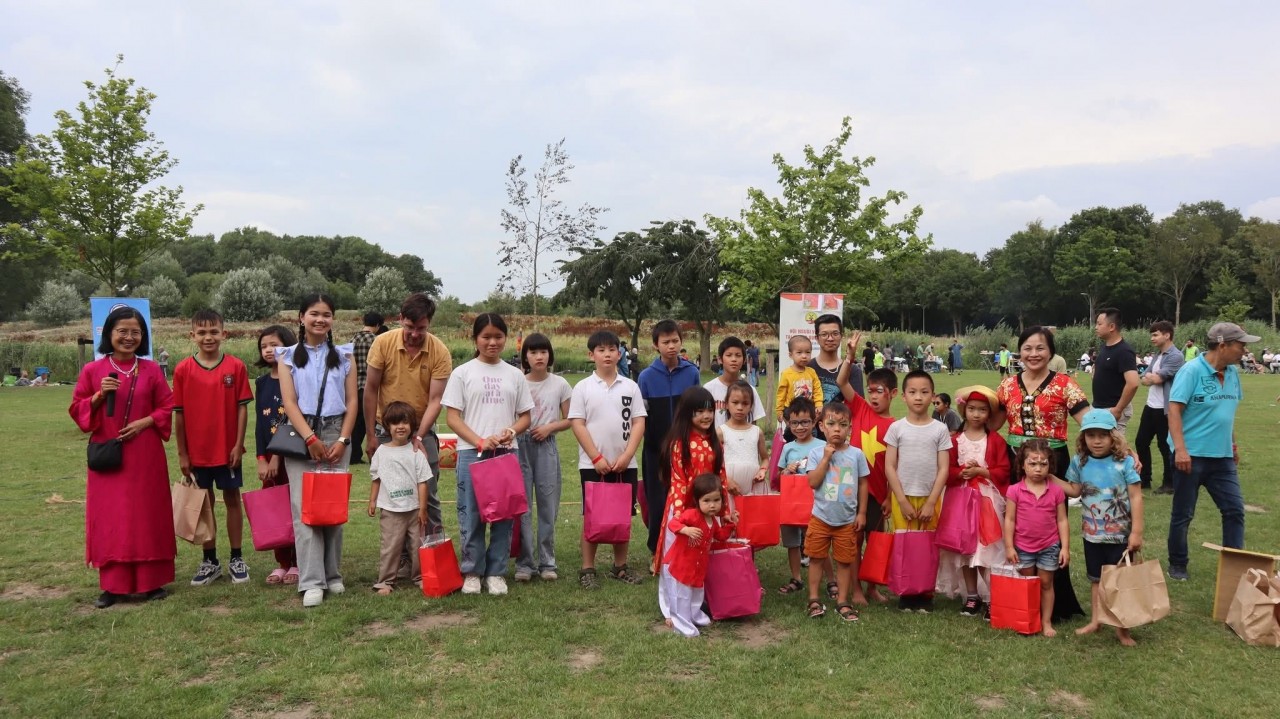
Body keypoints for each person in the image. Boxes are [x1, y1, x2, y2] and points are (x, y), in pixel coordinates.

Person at [70, 306, 175, 609]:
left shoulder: (152, 369)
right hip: (109, 457)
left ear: (142, 337)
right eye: (122, 331)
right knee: (112, 517)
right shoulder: (93, 371)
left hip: (145, 454)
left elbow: (168, 406)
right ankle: (112, 585)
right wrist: (98, 396)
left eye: (135, 332)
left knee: (147, 514)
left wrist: (145, 422)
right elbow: (79, 411)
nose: (129, 337)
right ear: (109, 334)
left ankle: (152, 582)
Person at [992, 325, 1089, 622]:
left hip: (1052, 461)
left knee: (1049, 527)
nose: (1033, 354)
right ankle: (1018, 599)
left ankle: (1056, 604)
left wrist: (1125, 450)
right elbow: (993, 423)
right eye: (1027, 348)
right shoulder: (1007, 385)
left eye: (1040, 348)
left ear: (1051, 352)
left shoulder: (1064, 384)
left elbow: (1090, 420)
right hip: (1016, 461)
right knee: (1018, 523)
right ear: (1018, 352)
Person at [277, 294, 359, 608]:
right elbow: (290, 402)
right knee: (305, 509)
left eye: (326, 315)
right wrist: (311, 438)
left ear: (332, 320)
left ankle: (333, 574)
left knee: (332, 506)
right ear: (301, 317)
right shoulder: (286, 356)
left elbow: (352, 402)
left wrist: (343, 440)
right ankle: (311, 580)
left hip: (337, 429)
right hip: (302, 434)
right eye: (314, 314)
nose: (320, 320)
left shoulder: (344, 355)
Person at [443, 313, 534, 596]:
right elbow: (453, 418)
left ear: (505, 339)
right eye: (486, 337)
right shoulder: (463, 373)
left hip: (506, 453)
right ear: (475, 339)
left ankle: (496, 572)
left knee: (504, 515)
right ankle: (472, 571)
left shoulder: (515, 374)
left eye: (498, 337)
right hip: (473, 453)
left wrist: (510, 431)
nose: (492, 342)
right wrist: (479, 440)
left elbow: (525, 417)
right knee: (471, 514)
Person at [1166, 322, 1255, 581]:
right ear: (1223, 345)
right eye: (1241, 345)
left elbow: (1226, 416)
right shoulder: (1191, 371)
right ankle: (1178, 563)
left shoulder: (1233, 373)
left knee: (1234, 510)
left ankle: (1234, 565)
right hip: (1191, 457)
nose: (1245, 351)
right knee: (1183, 514)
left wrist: (1234, 445)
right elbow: (1174, 410)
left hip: (1223, 457)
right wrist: (1180, 450)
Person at [173, 309, 253, 587]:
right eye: (202, 332)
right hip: (198, 453)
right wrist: (183, 453)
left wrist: (238, 445)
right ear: (192, 335)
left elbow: (242, 410)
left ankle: (236, 557)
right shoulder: (183, 369)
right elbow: (179, 415)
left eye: (213, 331)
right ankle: (210, 560)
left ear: (224, 333)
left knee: (232, 500)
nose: (208, 337)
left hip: (227, 450)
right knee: (203, 503)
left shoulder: (236, 367)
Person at [364, 293, 452, 538]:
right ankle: (403, 559)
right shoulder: (382, 343)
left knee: (429, 494)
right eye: (410, 327)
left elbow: (436, 400)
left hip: (422, 430)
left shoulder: (439, 351)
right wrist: (370, 435)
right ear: (400, 319)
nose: (415, 334)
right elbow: (370, 390)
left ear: (429, 324)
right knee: (394, 496)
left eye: (421, 328)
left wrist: (420, 437)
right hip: (386, 431)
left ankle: (433, 552)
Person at [569, 330, 648, 589]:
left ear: (620, 353)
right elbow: (577, 424)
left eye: (612, 349)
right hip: (593, 464)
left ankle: (620, 566)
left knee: (622, 516)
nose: (607, 354)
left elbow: (638, 422)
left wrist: (627, 456)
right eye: (601, 350)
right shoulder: (583, 387)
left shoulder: (631, 386)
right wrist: (596, 456)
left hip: (625, 465)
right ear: (591, 355)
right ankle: (587, 569)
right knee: (592, 516)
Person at [1059, 409, 1144, 646]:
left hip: (1120, 537)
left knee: (1120, 583)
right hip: (1092, 535)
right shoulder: (1080, 462)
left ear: (1113, 437)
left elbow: (1136, 497)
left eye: (1103, 436)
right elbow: (1074, 491)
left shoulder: (1124, 462)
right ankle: (1096, 621)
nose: (1096, 441)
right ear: (1083, 437)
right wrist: (1048, 478)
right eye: (1091, 435)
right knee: (1096, 580)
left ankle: (1122, 629)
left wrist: (1136, 532)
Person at [937, 387, 1010, 618]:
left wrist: (982, 471)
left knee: (986, 550)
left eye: (982, 410)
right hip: (960, 500)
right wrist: (961, 473)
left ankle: (991, 597)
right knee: (965, 551)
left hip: (986, 501)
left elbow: (1004, 469)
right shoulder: (955, 440)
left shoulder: (995, 440)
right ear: (964, 410)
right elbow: (945, 470)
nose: (976, 414)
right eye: (971, 409)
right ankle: (971, 596)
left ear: (989, 414)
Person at [885, 370, 952, 612]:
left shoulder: (939, 430)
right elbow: (889, 466)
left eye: (924, 393)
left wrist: (931, 501)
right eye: (912, 392)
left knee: (927, 545)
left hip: (930, 498)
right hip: (902, 497)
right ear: (903, 396)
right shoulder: (896, 428)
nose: (918, 397)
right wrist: (901, 500)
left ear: (933, 396)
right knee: (904, 543)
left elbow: (944, 468)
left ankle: (925, 593)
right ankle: (906, 593)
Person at [836, 333, 897, 603]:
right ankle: (856, 589)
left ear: (893, 393)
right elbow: (841, 381)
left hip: (879, 493)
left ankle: (873, 587)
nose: (873, 396)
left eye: (879, 391)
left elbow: (897, 466)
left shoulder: (896, 426)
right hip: (853, 488)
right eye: (870, 390)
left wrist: (889, 497)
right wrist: (850, 356)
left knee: (876, 543)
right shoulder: (859, 408)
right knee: (854, 540)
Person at [654, 387, 734, 586]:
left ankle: (703, 600)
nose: (706, 416)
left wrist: (723, 509)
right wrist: (681, 517)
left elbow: (721, 477)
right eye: (699, 411)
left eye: (710, 410)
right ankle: (672, 606)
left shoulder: (715, 443)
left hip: (710, 507)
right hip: (686, 509)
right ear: (686, 413)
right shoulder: (679, 443)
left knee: (704, 553)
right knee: (680, 555)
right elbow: (678, 480)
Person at [638, 319, 702, 558]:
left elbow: (698, 410)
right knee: (657, 502)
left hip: (687, 448)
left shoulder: (692, 373)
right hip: (656, 451)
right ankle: (657, 550)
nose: (671, 346)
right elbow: (641, 417)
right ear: (656, 345)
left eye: (675, 341)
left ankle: (685, 548)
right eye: (666, 342)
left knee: (687, 500)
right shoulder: (646, 377)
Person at [803, 401, 870, 622]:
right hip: (821, 517)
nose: (837, 429)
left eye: (843, 425)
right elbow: (813, 482)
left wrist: (861, 513)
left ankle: (842, 600)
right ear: (821, 426)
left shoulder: (857, 455)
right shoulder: (815, 453)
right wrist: (826, 457)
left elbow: (862, 484)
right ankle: (813, 599)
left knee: (844, 561)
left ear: (850, 427)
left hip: (847, 521)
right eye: (831, 424)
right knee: (816, 558)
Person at [515, 333, 573, 583]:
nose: (539, 357)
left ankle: (547, 562)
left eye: (543, 352)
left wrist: (550, 428)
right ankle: (525, 563)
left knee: (548, 505)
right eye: (533, 352)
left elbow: (570, 419)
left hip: (546, 445)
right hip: (520, 445)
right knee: (522, 506)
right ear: (525, 356)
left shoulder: (560, 384)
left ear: (550, 355)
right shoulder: (518, 382)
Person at [1004, 439, 1069, 637]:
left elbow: (1062, 521)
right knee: (1027, 583)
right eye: (1032, 463)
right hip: (1022, 546)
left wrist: (1065, 547)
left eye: (1043, 464)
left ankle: (1046, 621)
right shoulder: (1014, 490)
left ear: (1050, 465)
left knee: (1046, 583)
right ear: (1022, 464)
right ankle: (1028, 619)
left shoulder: (1056, 491)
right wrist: (1009, 546)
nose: (1038, 469)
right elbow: (1009, 520)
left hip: (1049, 546)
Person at [367, 401, 432, 595]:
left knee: (417, 546)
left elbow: (423, 481)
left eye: (404, 422)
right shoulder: (381, 451)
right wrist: (372, 501)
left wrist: (422, 508)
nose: (400, 427)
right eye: (395, 423)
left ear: (412, 425)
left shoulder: (416, 452)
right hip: (390, 510)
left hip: (414, 510)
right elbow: (376, 478)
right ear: (388, 426)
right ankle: (385, 581)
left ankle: (419, 577)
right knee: (390, 547)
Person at [661, 473, 737, 637]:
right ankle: (682, 624)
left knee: (696, 593)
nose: (712, 505)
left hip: (698, 566)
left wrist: (731, 524)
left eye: (716, 500)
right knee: (682, 595)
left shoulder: (712, 520)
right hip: (682, 564)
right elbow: (673, 523)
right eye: (707, 501)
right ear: (697, 501)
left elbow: (721, 536)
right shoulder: (691, 515)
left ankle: (695, 616)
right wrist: (685, 530)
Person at [254, 324, 299, 586]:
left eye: (274, 344)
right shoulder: (261, 383)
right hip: (268, 459)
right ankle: (282, 562)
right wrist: (262, 458)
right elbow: (260, 425)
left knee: (296, 508)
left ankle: (298, 561)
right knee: (275, 509)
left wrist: (277, 456)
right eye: (264, 345)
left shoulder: (295, 377)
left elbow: (289, 420)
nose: (269, 350)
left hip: (291, 454)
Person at [775, 397, 826, 596]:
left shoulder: (822, 445)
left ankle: (830, 579)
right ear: (789, 423)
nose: (800, 427)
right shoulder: (788, 448)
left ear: (814, 422)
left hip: (816, 502)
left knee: (818, 540)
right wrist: (787, 470)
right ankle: (796, 578)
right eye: (795, 423)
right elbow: (778, 477)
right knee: (792, 542)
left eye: (805, 422)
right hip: (791, 502)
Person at [1134, 321, 1184, 495]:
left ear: (1167, 335)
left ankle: (1169, 482)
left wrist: (1151, 377)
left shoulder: (1175, 356)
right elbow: (1144, 377)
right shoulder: (1157, 355)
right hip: (1150, 406)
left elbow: (1156, 379)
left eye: (1155, 334)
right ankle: (1144, 479)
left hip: (1165, 408)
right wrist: (1150, 376)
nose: (1152, 338)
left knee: (1165, 446)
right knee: (1141, 442)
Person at [1092, 308, 1140, 433]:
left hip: (1112, 410)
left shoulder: (1124, 351)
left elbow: (1133, 383)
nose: (1096, 327)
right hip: (1099, 408)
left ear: (1112, 326)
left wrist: (1118, 409)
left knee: (1115, 450)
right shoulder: (1105, 347)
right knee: (1099, 449)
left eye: (1099, 323)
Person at [719, 381, 768, 496]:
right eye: (735, 403)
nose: (740, 408)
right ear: (726, 404)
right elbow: (714, 464)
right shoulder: (720, 432)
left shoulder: (757, 432)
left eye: (745, 403)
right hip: (728, 487)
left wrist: (762, 470)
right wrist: (726, 480)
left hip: (754, 487)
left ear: (751, 406)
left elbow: (765, 458)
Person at [704, 336, 766, 428]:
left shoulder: (750, 390)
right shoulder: (708, 389)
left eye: (738, 355)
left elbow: (753, 424)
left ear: (744, 360)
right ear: (720, 359)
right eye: (729, 355)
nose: (734, 359)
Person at [350, 311, 383, 464]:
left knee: (354, 424)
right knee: (373, 422)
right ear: (377, 325)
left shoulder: (352, 340)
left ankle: (353, 454)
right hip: (370, 386)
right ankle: (375, 452)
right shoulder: (377, 341)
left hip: (354, 386)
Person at [813, 314, 863, 402]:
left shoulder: (853, 370)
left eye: (835, 334)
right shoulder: (807, 367)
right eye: (824, 334)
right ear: (817, 338)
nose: (830, 338)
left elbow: (859, 407)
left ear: (841, 336)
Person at [775, 335, 824, 424]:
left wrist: (819, 403)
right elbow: (781, 394)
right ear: (791, 355)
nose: (804, 356)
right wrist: (779, 410)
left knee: (810, 432)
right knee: (791, 433)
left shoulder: (811, 372)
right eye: (799, 352)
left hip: (808, 409)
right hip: (791, 410)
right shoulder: (786, 374)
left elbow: (817, 389)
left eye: (808, 352)